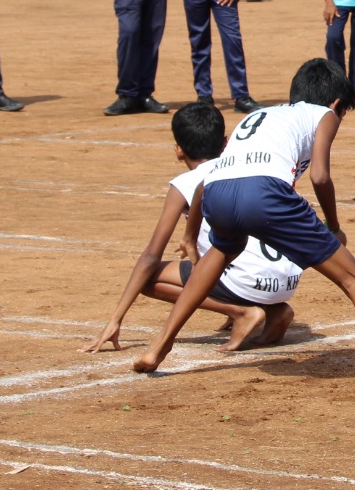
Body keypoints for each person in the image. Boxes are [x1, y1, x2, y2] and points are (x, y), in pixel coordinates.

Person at [130, 59, 355, 404]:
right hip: (264, 193)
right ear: (337, 104)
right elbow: (320, 177)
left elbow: (208, 181)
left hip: (218, 190)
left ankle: (159, 346)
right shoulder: (323, 115)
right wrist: (335, 226)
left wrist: (193, 234)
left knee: (220, 252)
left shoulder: (258, 115)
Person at [82, 103, 301, 355]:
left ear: (178, 150)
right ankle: (275, 310)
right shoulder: (249, 168)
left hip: (246, 278)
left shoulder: (185, 183)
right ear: (226, 143)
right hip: (286, 280)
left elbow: (151, 256)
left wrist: (115, 319)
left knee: (147, 277)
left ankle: (240, 312)